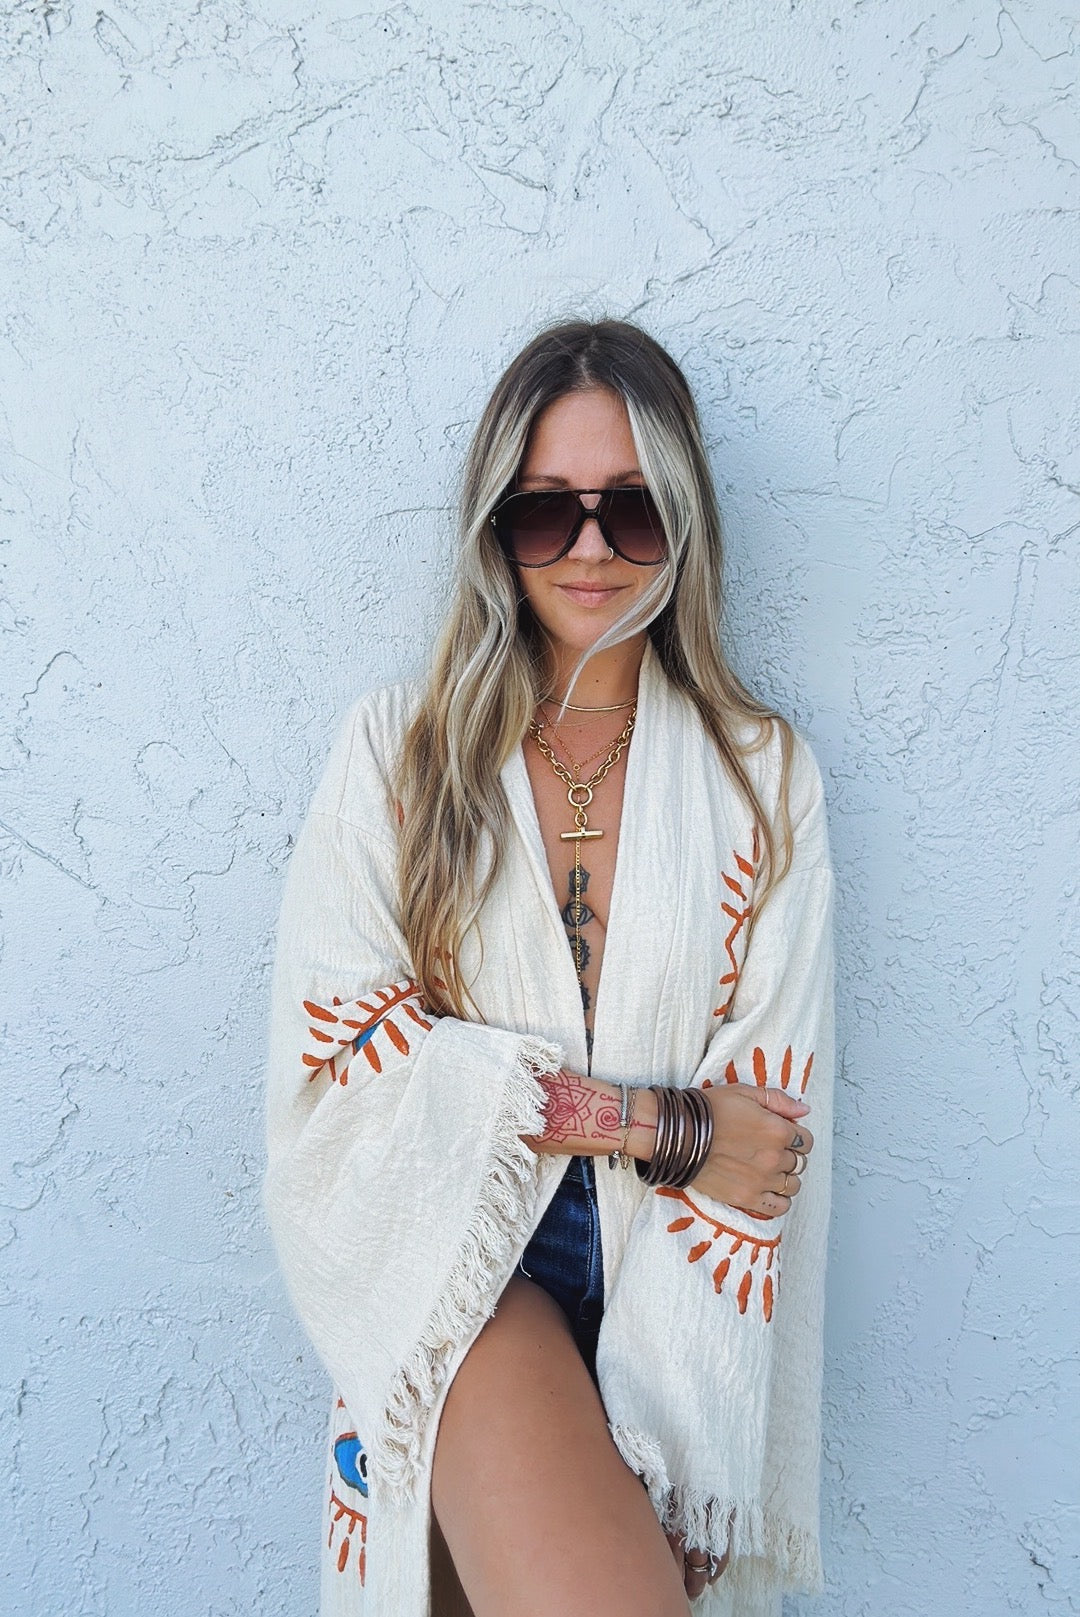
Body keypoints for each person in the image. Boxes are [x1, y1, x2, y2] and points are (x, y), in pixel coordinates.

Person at [262, 319, 835, 1617]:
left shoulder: (764, 784)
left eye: (629, 510)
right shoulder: (395, 758)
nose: (588, 548)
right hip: (467, 1269)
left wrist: (685, 1455)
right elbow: (343, 1075)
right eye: (546, 512)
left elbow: (773, 1140)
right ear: (495, 527)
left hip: (669, 1281)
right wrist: (658, 1120)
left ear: (682, 523)